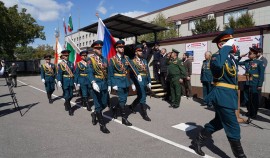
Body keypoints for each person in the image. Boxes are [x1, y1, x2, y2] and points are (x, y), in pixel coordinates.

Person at [191, 29, 246, 158]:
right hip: (222, 96)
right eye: (230, 42)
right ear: (222, 45)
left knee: (219, 122)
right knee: (233, 127)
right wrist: (226, 47)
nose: (233, 44)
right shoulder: (216, 57)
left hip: (229, 95)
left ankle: (197, 140)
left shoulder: (230, 58)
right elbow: (218, 66)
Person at [108, 40, 141, 126]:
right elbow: (110, 73)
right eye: (120, 47)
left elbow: (133, 67)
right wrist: (113, 84)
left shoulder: (126, 58)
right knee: (122, 99)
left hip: (126, 81)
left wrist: (138, 75)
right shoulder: (112, 60)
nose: (122, 48)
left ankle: (115, 109)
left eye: (123, 47)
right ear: (116, 48)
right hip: (118, 81)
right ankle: (124, 118)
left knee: (124, 99)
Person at [88, 40, 110, 134]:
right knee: (97, 105)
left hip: (104, 83)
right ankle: (102, 125)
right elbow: (89, 71)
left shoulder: (104, 59)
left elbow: (108, 73)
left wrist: (109, 84)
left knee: (104, 104)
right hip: (96, 83)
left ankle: (94, 113)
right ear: (94, 49)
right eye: (97, 48)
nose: (100, 49)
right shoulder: (90, 59)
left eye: (100, 48)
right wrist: (93, 82)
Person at [238, 47, 265, 118]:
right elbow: (236, 62)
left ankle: (254, 113)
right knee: (246, 99)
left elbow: (261, 74)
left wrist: (260, 84)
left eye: (250, 53)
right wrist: (240, 56)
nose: (248, 54)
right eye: (249, 53)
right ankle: (249, 111)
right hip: (246, 82)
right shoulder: (247, 61)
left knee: (254, 99)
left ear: (255, 55)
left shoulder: (260, 62)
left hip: (255, 83)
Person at [129, 44, 151, 121]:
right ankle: (144, 114)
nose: (141, 52)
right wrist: (132, 83)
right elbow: (131, 74)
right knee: (143, 96)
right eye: (139, 51)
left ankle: (132, 106)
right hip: (138, 80)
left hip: (145, 79)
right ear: (136, 52)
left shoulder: (144, 61)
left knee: (140, 96)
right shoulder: (132, 62)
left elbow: (147, 72)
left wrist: (149, 81)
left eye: (141, 50)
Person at [57, 50, 75, 116]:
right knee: (67, 95)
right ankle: (70, 109)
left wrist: (75, 81)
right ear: (62, 56)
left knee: (71, 95)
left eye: (67, 55)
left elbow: (74, 72)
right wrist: (59, 80)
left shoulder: (71, 63)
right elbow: (59, 73)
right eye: (65, 55)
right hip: (65, 81)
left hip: (71, 81)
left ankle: (66, 102)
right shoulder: (61, 64)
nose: (66, 57)